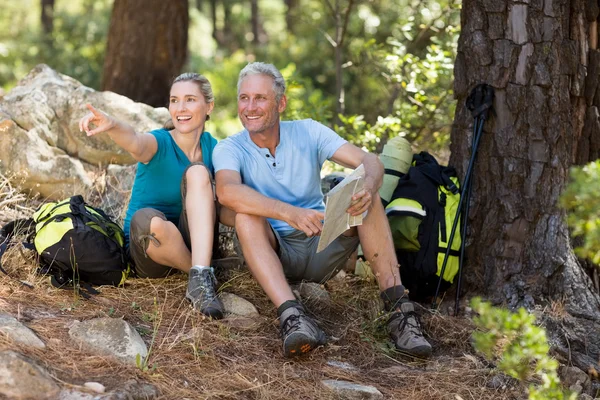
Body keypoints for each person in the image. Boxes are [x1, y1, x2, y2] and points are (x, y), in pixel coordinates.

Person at [214, 62, 432, 358]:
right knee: (245, 215)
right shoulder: (229, 148)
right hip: (274, 251)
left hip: (321, 242)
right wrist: (289, 213)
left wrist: (368, 186)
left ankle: (399, 311)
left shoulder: (308, 131)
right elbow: (227, 191)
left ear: (281, 103)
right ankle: (292, 317)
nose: (250, 107)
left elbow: (370, 161)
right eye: (244, 98)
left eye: (260, 98)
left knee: (367, 199)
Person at [78, 72, 224, 319]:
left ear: (208, 106)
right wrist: (112, 124)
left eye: (190, 99)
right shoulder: (159, 142)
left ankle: (199, 273)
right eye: (174, 100)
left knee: (199, 173)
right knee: (153, 222)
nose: (180, 108)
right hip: (147, 250)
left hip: (190, 240)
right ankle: (200, 275)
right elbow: (136, 141)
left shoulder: (215, 148)